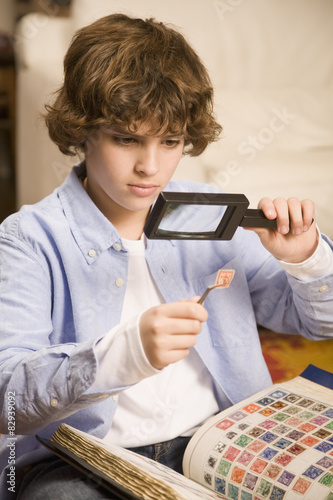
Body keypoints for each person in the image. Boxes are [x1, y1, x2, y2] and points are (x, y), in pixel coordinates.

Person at [0, 13, 332, 500]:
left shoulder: (212, 212)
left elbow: (321, 325)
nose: (149, 166)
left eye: (171, 142)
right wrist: (125, 353)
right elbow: (9, 398)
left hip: (220, 439)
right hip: (87, 461)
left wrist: (305, 259)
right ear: (84, 129)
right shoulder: (29, 238)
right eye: (126, 138)